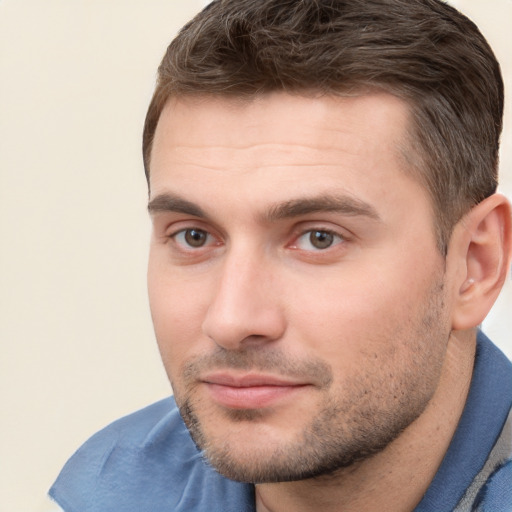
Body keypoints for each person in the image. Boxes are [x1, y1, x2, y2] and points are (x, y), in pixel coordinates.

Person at [49, 0, 512, 510]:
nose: (230, 320)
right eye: (194, 237)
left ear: (474, 265)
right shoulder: (112, 488)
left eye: (319, 238)